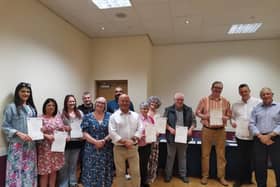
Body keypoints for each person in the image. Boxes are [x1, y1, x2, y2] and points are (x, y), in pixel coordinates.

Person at [2, 82, 38, 187]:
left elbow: (35, 126)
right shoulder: (11, 107)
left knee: (29, 171)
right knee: (15, 172)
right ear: (17, 92)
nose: (26, 93)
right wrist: (18, 133)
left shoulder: (32, 108)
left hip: (30, 146)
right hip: (16, 146)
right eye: (23, 91)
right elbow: (5, 126)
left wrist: (39, 130)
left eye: (28, 91)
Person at [196, 81, 231, 186]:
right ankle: (205, 176)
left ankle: (221, 177)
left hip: (220, 131)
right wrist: (204, 116)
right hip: (207, 130)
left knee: (221, 155)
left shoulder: (226, 101)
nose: (218, 90)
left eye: (220, 88)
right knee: (205, 154)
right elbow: (197, 112)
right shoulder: (204, 100)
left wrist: (226, 118)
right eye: (216, 88)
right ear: (212, 88)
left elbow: (229, 115)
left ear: (222, 89)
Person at [109, 94, 143, 187]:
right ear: (118, 102)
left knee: (136, 172)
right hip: (119, 148)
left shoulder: (136, 116)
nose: (124, 103)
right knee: (120, 173)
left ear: (129, 102)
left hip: (133, 148)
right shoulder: (113, 116)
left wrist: (132, 140)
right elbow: (112, 132)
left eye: (127, 101)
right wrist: (125, 142)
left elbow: (140, 128)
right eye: (122, 101)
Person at [249, 87, 280, 187]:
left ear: (272, 94)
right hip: (259, 139)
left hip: (275, 139)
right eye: (263, 94)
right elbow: (251, 124)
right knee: (260, 166)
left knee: (278, 164)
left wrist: (270, 135)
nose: (266, 96)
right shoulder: (256, 108)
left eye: (268, 94)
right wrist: (260, 136)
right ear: (261, 96)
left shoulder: (279, 107)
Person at [231, 84, 260, 187]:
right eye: (241, 92)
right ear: (239, 93)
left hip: (254, 136)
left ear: (249, 91)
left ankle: (248, 179)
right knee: (240, 159)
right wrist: (232, 122)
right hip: (240, 135)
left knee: (251, 159)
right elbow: (232, 117)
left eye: (245, 91)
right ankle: (238, 180)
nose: (244, 93)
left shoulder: (258, 102)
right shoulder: (235, 104)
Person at [80, 97, 114, 187]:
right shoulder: (87, 116)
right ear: (95, 104)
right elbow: (85, 132)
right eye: (98, 102)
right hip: (91, 148)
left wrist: (103, 140)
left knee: (105, 169)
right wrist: (95, 142)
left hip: (105, 148)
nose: (100, 104)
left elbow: (113, 131)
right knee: (90, 169)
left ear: (105, 105)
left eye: (103, 103)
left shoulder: (110, 116)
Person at [164, 92, 196, 183]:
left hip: (184, 137)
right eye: (178, 99)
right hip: (172, 137)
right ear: (174, 100)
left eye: (181, 99)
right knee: (170, 157)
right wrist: (170, 129)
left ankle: (183, 175)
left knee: (182, 157)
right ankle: (168, 175)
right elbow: (163, 122)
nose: (180, 101)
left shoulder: (189, 109)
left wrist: (190, 129)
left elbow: (194, 122)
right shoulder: (168, 109)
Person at [37, 98, 65, 187]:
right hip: (44, 148)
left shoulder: (58, 118)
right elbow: (35, 132)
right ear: (44, 107)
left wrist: (66, 136)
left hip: (57, 148)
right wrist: (46, 136)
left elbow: (62, 131)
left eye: (53, 105)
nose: (51, 107)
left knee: (54, 171)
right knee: (45, 172)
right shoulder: (40, 118)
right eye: (49, 105)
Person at [58, 95, 83, 187]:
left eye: (73, 101)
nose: (72, 103)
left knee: (73, 163)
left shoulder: (80, 112)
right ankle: (63, 184)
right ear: (66, 102)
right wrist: (65, 128)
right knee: (64, 164)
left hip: (77, 141)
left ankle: (72, 182)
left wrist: (82, 134)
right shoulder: (61, 112)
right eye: (70, 101)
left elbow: (83, 125)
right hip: (65, 142)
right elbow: (58, 126)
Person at [138, 101, 155, 187]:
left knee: (145, 164)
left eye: (146, 108)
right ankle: (139, 182)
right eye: (143, 108)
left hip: (148, 145)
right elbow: (135, 131)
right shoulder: (137, 118)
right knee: (139, 165)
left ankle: (144, 181)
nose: (145, 110)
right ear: (140, 109)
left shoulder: (150, 118)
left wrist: (156, 133)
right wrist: (142, 135)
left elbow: (153, 128)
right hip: (139, 146)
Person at [146, 96, 162, 183]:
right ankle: (145, 175)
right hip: (145, 140)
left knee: (154, 158)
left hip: (155, 139)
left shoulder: (159, 115)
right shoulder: (145, 113)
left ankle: (152, 176)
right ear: (149, 103)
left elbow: (160, 128)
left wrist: (157, 132)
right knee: (146, 157)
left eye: (155, 103)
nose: (153, 104)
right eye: (152, 103)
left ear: (157, 105)